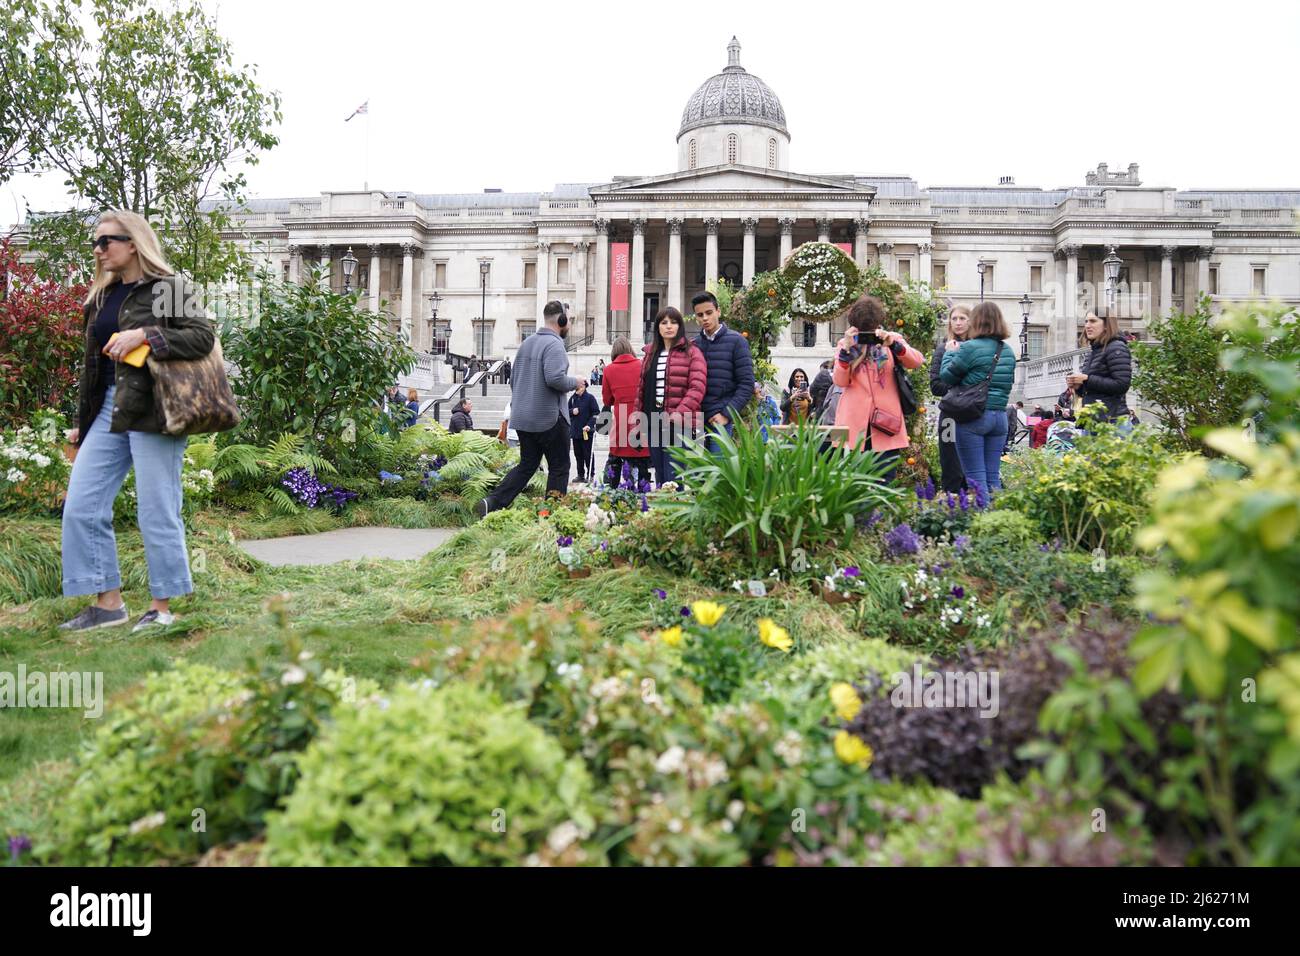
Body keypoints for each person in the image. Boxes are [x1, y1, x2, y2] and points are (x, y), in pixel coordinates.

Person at [59, 210, 215, 633]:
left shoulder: (168, 288)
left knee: (157, 509)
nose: (98, 250)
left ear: (133, 242)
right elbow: (92, 369)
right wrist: (84, 421)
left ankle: (162, 608)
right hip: (109, 407)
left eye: (105, 241)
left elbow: (202, 337)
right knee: (81, 506)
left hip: (155, 409)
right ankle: (108, 604)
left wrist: (147, 335)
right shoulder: (102, 297)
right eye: (95, 242)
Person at [476, 301, 582, 516]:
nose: (569, 324)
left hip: (523, 419)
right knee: (559, 468)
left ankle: (493, 502)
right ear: (561, 321)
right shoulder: (555, 345)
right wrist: (576, 381)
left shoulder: (526, 343)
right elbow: (555, 379)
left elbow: (513, 381)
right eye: (569, 320)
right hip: (549, 419)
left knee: (527, 465)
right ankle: (550, 516)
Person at [831, 295, 926, 481]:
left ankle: (878, 512)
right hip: (854, 424)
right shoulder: (846, 344)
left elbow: (917, 361)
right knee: (856, 482)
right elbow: (840, 381)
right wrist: (847, 351)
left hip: (886, 423)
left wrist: (893, 344)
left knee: (884, 479)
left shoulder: (891, 340)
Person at [939, 301, 1017, 493]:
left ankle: (982, 521)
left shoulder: (970, 347)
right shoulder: (1007, 350)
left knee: (975, 478)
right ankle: (999, 519)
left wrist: (949, 354)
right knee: (993, 478)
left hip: (974, 418)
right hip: (1000, 418)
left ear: (976, 322)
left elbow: (947, 377)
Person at [636, 306, 707, 486]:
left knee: (674, 475)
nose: (669, 326)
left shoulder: (692, 352)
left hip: (678, 423)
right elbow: (641, 389)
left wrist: (679, 412)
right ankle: (661, 513)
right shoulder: (650, 354)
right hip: (654, 420)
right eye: (664, 322)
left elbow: (697, 387)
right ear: (658, 327)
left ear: (680, 326)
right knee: (660, 473)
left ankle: (676, 512)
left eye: (673, 322)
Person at [692, 291, 753, 452]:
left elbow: (746, 384)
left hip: (720, 420)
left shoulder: (737, 341)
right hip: (695, 421)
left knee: (718, 471)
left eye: (709, 313)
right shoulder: (693, 345)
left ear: (718, 312)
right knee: (696, 474)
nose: (705, 318)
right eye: (700, 315)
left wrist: (726, 414)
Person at [928, 304, 970, 492]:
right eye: (954, 319)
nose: (958, 323)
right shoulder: (942, 349)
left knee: (971, 461)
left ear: (971, 321)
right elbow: (936, 386)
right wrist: (959, 387)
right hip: (949, 415)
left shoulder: (977, 348)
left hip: (973, 413)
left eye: (962, 318)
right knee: (949, 460)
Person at [600, 336, 651, 485]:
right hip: (640, 421)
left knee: (615, 460)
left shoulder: (609, 370)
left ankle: (610, 496)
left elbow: (607, 401)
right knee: (642, 463)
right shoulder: (642, 366)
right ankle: (643, 497)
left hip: (621, 422)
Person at [1067, 311, 1132, 422]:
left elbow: (1122, 385)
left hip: (1112, 421)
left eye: (1093, 321)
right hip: (1094, 420)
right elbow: (1092, 391)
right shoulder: (1093, 352)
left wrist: (1087, 379)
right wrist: (1078, 387)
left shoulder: (1116, 347)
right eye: (1086, 321)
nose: (1087, 326)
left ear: (1107, 325)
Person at [568, 381, 601, 483]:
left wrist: (589, 425)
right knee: (578, 454)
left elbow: (596, 413)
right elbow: (566, 410)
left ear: (583, 387)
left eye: (578, 386)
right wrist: (572, 411)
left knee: (588, 454)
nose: (576, 388)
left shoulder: (590, 398)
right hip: (575, 431)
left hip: (587, 432)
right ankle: (580, 475)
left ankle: (590, 475)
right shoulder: (572, 399)